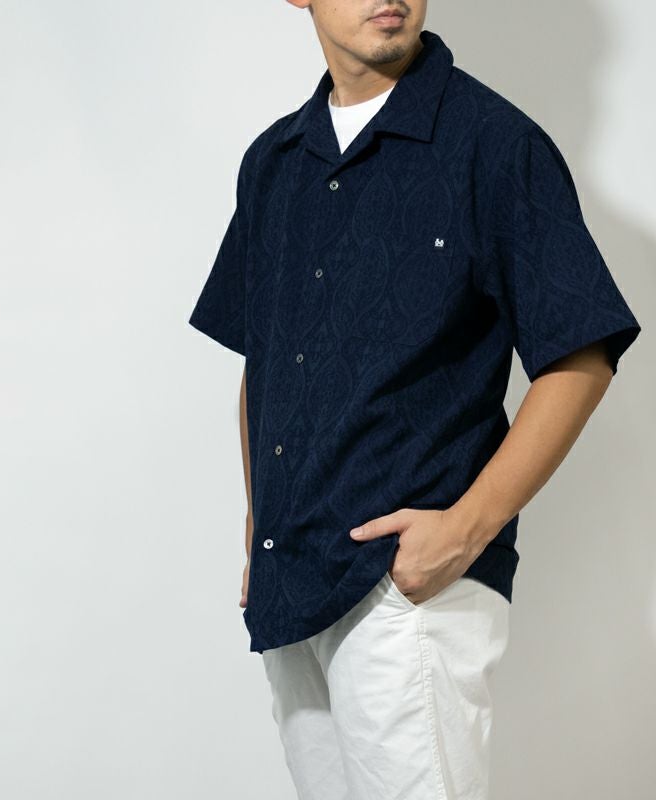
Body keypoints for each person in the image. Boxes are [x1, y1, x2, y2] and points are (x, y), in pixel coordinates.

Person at [187, 3, 642, 798]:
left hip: (406, 594)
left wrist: (464, 532)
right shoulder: (274, 163)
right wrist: (261, 524)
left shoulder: (494, 145)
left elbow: (581, 355)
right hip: (292, 585)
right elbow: (267, 361)